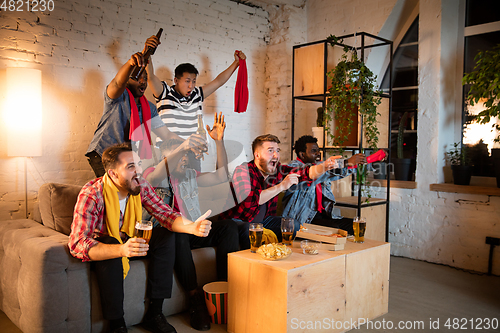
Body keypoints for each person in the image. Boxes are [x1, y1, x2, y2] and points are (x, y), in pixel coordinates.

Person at [69, 143, 212, 333]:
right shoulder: (93, 194)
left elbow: (166, 215)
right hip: (107, 251)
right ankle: (117, 324)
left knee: (166, 234)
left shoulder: (140, 184)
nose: (138, 171)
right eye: (130, 167)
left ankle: (155, 313)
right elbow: (78, 243)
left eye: (138, 164)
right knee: (110, 241)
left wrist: (192, 227)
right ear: (112, 174)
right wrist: (121, 249)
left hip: (131, 242)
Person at [146, 112, 239, 331]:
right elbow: (152, 179)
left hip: (194, 231)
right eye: (180, 156)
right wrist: (181, 147)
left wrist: (219, 141)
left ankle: (226, 289)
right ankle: (195, 299)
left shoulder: (190, 175)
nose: (184, 159)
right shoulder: (154, 174)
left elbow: (221, 176)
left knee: (228, 227)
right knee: (177, 234)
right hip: (171, 234)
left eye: (186, 155)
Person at [85, 37, 206, 177]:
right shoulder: (118, 96)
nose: (142, 82)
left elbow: (166, 134)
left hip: (123, 159)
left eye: (145, 78)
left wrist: (190, 143)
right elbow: (118, 83)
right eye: (137, 78)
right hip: (102, 154)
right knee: (112, 194)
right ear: (128, 79)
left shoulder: (149, 108)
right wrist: (133, 62)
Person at [218, 134, 345, 248]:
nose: (276, 155)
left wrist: (324, 166)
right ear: (257, 155)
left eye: (277, 150)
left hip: (264, 221)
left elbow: (304, 173)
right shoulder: (243, 171)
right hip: (239, 221)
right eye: (270, 151)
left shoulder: (277, 169)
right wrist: (282, 186)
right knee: (249, 229)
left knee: (292, 224)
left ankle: (280, 254)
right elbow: (250, 202)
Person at [282, 135, 366, 234]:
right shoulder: (293, 167)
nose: (318, 154)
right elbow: (316, 174)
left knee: (352, 225)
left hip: (322, 215)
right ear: (302, 154)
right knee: (333, 229)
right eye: (314, 151)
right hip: (302, 220)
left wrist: (372, 160)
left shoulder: (319, 167)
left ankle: (353, 249)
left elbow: (338, 172)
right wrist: (346, 162)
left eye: (318, 151)